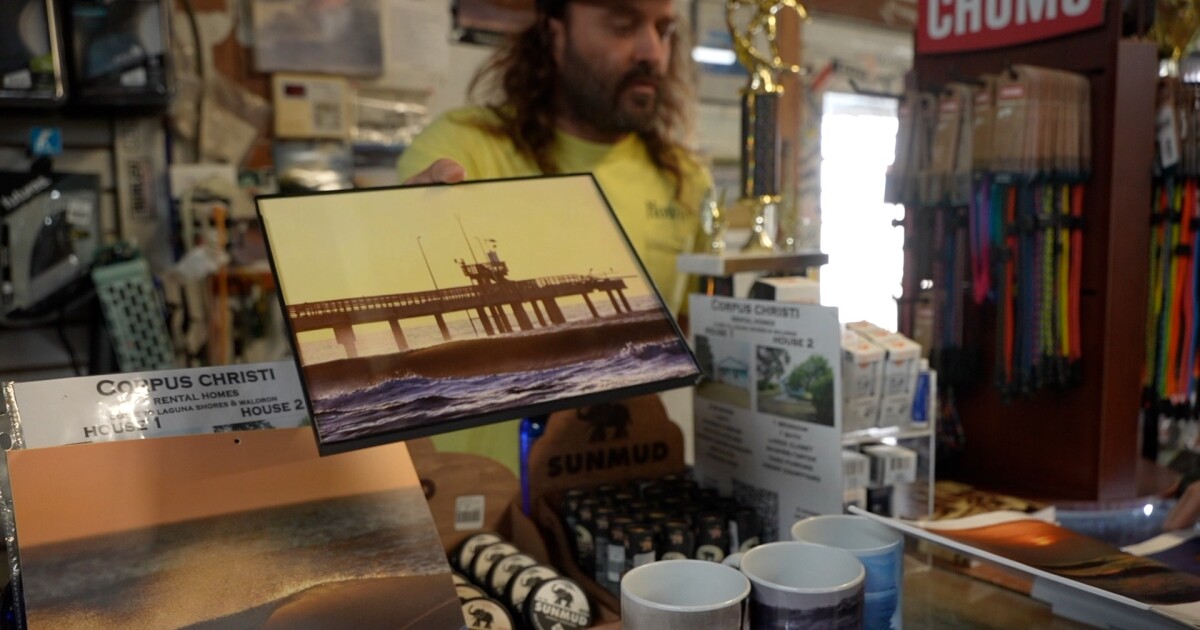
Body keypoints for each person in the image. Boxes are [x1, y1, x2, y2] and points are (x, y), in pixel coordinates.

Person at [397, 0, 712, 473]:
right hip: (473, 501)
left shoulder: (687, 180)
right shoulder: (465, 145)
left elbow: (684, 325)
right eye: (623, 24)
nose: (653, 52)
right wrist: (391, 230)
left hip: (618, 493)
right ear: (555, 33)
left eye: (664, 30)